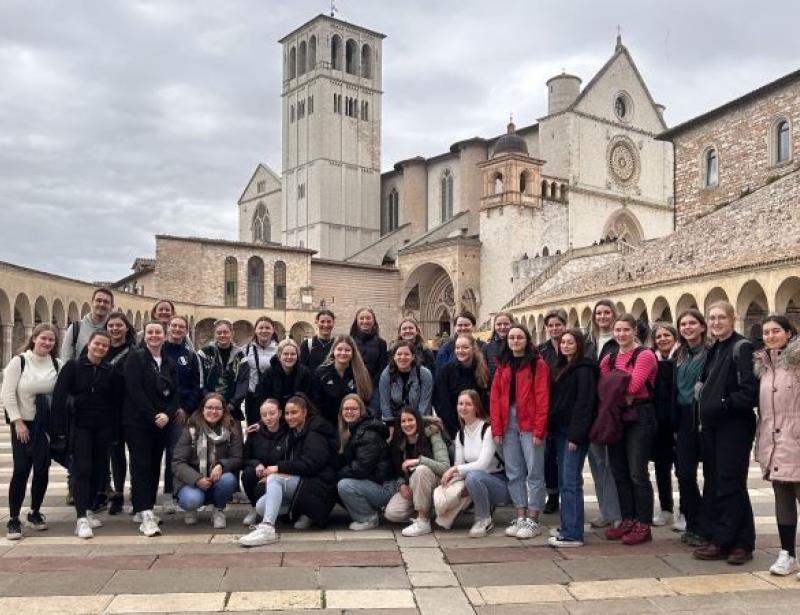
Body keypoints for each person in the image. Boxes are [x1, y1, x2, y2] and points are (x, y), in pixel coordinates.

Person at [693, 301, 759, 565]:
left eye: (721, 317)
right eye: (712, 318)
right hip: (713, 426)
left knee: (731, 482)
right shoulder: (715, 348)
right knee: (718, 483)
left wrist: (723, 404)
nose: (716, 322)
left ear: (733, 318)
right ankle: (728, 537)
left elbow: (749, 391)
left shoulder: (742, 347)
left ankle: (737, 543)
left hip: (734, 425)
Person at [239, 394, 338, 546]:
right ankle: (301, 512)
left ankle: (267, 529)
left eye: (294, 412)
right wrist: (260, 424)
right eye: (287, 413)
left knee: (274, 478)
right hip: (305, 484)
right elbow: (271, 421)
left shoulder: (315, 432)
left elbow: (311, 466)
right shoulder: (296, 430)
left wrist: (278, 468)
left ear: (304, 412)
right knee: (260, 506)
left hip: (320, 489)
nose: (289, 417)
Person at [52, 331, 119, 539]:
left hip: (103, 427)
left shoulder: (110, 370)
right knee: (82, 469)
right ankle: (80, 518)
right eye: (97, 344)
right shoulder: (72, 367)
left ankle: (89, 509)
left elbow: (115, 403)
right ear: (89, 344)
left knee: (98, 471)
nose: (100, 348)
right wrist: (58, 431)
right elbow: (59, 399)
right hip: (81, 426)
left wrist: (115, 431)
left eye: (104, 346)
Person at [600, 314, 658, 546]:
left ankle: (643, 523)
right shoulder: (610, 358)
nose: (621, 334)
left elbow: (633, 387)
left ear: (634, 331)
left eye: (626, 329)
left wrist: (616, 388)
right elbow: (603, 388)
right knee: (619, 472)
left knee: (637, 472)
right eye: (617, 330)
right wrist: (616, 389)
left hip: (640, 416)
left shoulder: (644, 355)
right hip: (616, 416)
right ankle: (628, 519)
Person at [1, 324, 61, 539]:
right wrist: (17, 422)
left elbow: (63, 394)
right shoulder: (20, 361)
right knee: (21, 470)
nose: (47, 342)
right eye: (43, 338)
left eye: (51, 340)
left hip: (45, 426)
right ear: (34, 338)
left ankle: (35, 512)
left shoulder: (57, 364)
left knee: (42, 469)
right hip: (23, 425)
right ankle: (14, 518)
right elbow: (7, 394)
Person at [490, 323, 550, 540]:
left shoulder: (537, 365)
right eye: (512, 338)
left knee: (534, 471)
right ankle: (520, 515)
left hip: (529, 422)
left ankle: (534, 519)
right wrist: (497, 428)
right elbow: (495, 398)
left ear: (527, 340)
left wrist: (539, 430)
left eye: (519, 337)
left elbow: (543, 398)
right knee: (514, 472)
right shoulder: (503, 364)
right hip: (508, 422)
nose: (515, 341)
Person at [753, 315, 800, 576]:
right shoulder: (765, 366)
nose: (770, 336)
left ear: (789, 332)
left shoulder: (797, 363)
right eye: (766, 332)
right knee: (782, 498)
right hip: (774, 442)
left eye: (776, 331)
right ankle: (787, 554)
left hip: (796, 440)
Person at [123, 321, 178, 537]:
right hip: (138, 421)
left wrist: (168, 414)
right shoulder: (136, 358)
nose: (154, 335)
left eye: (158, 332)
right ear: (144, 336)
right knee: (141, 465)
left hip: (160, 422)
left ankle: (145, 507)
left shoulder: (168, 361)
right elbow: (134, 390)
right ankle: (145, 513)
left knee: (155, 465)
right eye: (150, 332)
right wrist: (153, 415)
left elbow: (175, 393)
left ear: (164, 336)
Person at [547, 329, 596, 548]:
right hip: (560, 431)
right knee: (565, 480)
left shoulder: (584, 370)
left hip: (573, 433)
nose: (565, 345)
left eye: (570, 342)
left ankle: (573, 534)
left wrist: (576, 436)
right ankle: (568, 525)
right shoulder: (560, 366)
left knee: (571, 482)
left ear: (579, 345)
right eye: (563, 342)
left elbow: (584, 405)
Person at [435, 390, 507, 536]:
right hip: (477, 480)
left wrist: (453, 469)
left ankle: (484, 519)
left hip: (501, 484)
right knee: (460, 480)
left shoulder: (488, 429)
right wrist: (450, 481)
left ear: (476, 407)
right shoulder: (461, 434)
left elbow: (482, 464)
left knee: (473, 477)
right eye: (460, 404)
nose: (463, 407)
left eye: (468, 404)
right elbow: (459, 465)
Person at [171, 392, 243, 528]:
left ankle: (218, 510)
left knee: (228, 480)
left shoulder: (232, 428)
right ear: (202, 409)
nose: (213, 411)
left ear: (223, 410)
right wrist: (197, 479)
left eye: (217, 408)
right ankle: (191, 509)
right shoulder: (191, 428)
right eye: (209, 407)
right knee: (192, 499)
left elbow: (237, 458)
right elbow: (177, 462)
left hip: (216, 479)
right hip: (191, 481)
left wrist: (222, 465)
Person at [384, 408, 450, 536]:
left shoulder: (432, 434)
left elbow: (445, 467)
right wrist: (401, 484)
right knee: (392, 514)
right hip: (413, 486)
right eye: (403, 421)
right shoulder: (398, 441)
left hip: (436, 483)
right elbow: (395, 470)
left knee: (421, 470)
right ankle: (427, 510)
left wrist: (419, 461)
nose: (407, 424)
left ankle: (423, 521)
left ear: (418, 421)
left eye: (410, 420)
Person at [585, 299, 622, 529]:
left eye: (607, 312)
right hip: (592, 408)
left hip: (611, 409)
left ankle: (617, 512)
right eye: (599, 313)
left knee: (613, 463)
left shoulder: (619, 342)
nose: (602, 317)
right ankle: (605, 511)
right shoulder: (589, 342)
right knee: (597, 462)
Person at [161, 315, 203, 514]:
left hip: (180, 413)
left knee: (174, 453)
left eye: (181, 327)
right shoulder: (159, 351)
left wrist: (186, 409)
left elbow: (196, 385)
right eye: (174, 325)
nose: (177, 329)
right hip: (160, 410)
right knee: (152, 456)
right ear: (168, 328)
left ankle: (170, 493)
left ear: (186, 331)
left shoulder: (190, 355)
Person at [673, 309, 708, 542]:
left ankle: (707, 526)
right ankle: (694, 522)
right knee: (684, 474)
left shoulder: (711, 353)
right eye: (683, 324)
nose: (687, 328)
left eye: (692, 323)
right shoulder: (681, 354)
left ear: (702, 327)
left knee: (714, 477)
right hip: (684, 417)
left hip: (704, 417)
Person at [336, 394, 396, 530]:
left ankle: (369, 518)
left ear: (361, 410)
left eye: (354, 409)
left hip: (385, 487)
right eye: (346, 409)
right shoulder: (351, 429)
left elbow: (361, 468)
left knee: (344, 485)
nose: (349, 412)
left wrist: (338, 473)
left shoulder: (368, 433)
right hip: (373, 482)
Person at [103, 311, 136, 515]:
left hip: (131, 409)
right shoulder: (100, 348)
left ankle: (137, 493)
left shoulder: (135, 351)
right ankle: (117, 494)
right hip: (109, 411)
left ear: (126, 327)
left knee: (135, 454)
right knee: (115, 455)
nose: (115, 329)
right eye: (111, 326)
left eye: (118, 325)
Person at [241, 398, 289, 527]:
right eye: (264, 415)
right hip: (260, 473)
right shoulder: (254, 433)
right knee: (248, 473)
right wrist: (256, 464)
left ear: (279, 413)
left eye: (272, 413)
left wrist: (273, 473)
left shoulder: (289, 432)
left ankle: (279, 509)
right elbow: (244, 458)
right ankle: (254, 508)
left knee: (262, 489)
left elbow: (290, 459)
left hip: (279, 474)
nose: (268, 418)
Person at [650, 322, 679, 528]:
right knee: (661, 468)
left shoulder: (682, 357)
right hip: (658, 423)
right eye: (659, 337)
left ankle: (686, 511)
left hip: (679, 421)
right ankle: (666, 509)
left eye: (666, 335)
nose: (663, 339)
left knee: (684, 469)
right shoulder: (653, 360)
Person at [433, 333, 489, 439]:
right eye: (457, 348)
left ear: (473, 349)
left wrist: (479, 424)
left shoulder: (482, 370)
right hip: (454, 428)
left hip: (478, 426)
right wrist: (456, 429)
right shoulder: (446, 371)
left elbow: (484, 400)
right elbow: (442, 403)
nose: (460, 351)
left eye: (465, 347)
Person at [538, 309, 567, 516]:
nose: (554, 328)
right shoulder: (541, 351)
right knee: (548, 457)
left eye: (558, 324)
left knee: (567, 458)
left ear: (564, 325)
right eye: (551, 325)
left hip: (567, 409)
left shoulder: (573, 346)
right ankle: (553, 495)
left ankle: (569, 496)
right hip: (548, 410)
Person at [311, 335, 372, 426]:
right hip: (328, 424)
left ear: (352, 352)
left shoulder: (361, 373)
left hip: (354, 424)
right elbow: (316, 402)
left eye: (347, 350)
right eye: (339, 349)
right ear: (333, 351)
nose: (343, 353)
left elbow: (365, 400)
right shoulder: (322, 372)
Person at [198, 319, 247, 422]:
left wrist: (233, 404)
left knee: (235, 437)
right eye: (219, 333)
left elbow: (243, 382)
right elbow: (199, 379)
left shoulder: (240, 356)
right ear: (215, 334)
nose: (222, 335)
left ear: (232, 333)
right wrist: (209, 401)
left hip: (232, 409)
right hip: (208, 408)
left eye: (225, 332)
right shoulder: (204, 353)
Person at [378, 340, 433, 424]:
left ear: (413, 356)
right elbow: (385, 403)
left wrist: (417, 424)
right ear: (394, 357)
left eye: (407, 354)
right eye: (399, 354)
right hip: (395, 419)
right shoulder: (386, 374)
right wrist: (390, 424)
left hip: (419, 419)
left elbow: (425, 403)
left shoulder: (424, 374)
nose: (402, 357)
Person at [255, 339, 313, 410]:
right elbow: (262, 398)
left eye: (293, 354)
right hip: (275, 414)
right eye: (285, 354)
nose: (289, 357)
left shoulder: (305, 373)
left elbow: (308, 398)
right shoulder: (268, 374)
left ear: (297, 356)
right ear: (279, 356)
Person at [349, 307, 388, 413]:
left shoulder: (381, 343)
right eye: (361, 318)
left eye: (368, 318)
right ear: (356, 321)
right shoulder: (350, 341)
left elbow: (382, 367)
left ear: (373, 321)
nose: (365, 321)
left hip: (374, 388)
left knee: (373, 417)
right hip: (353, 386)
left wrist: (370, 384)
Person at [241, 316, 278, 425]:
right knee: (253, 428)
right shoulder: (246, 349)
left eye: (267, 328)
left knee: (273, 427)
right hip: (252, 395)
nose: (264, 331)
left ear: (273, 330)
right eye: (261, 328)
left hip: (272, 395)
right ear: (255, 330)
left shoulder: (279, 349)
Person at [60, 287, 114, 361]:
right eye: (98, 300)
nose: (102, 304)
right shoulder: (75, 328)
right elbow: (65, 357)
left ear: (111, 306)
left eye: (106, 302)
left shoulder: (114, 330)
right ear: (92, 302)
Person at [299, 309, 336, 374]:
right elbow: (302, 371)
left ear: (333, 323)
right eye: (322, 321)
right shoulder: (307, 345)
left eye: (329, 322)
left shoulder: (337, 345)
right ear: (317, 322)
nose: (326, 325)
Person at [482, 311, 514, 385]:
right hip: (494, 389)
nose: (502, 327)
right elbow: (484, 372)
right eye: (499, 324)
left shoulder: (518, 345)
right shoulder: (487, 347)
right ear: (494, 326)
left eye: (506, 324)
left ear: (512, 324)